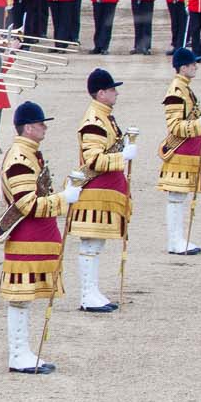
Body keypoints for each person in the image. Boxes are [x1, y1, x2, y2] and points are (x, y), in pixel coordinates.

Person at [0, 101, 74, 375]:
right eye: (41, 124)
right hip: (26, 236)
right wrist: (63, 200)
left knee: (26, 299)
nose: (45, 128)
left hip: (35, 236)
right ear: (28, 128)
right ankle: (17, 353)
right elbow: (27, 204)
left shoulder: (30, 153)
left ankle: (24, 351)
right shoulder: (20, 157)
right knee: (20, 297)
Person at [69, 69, 131, 313]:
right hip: (95, 188)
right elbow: (93, 159)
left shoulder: (104, 116)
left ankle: (92, 291)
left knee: (96, 245)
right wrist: (121, 157)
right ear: (101, 93)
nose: (116, 93)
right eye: (112, 89)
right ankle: (87, 294)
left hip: (104, 190)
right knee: (90, 245)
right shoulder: (95, 120)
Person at [158, 48, 201, 255]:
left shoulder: (185, 88)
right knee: (176, 198)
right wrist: (199, 124)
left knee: (179, 198)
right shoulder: (177, 91)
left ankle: (178, 239)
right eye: (192, 65)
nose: (195, 67)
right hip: (179, 151)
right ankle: (175, 241)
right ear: (183, 67)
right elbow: (175, 127)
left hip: (187, 151)